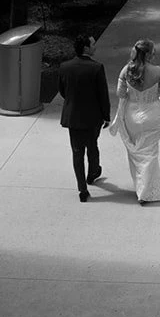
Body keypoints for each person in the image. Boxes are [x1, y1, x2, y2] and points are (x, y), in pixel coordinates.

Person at [110, 37, 160, 204]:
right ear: (148, 53)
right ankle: (146, 191)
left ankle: (142, 187)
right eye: (153, 52)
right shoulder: (159, 71)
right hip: (152, 115)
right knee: (150, 151)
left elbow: (120, 94)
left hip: (131, 115)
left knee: (137, 152)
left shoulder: (126, 70)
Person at [58, 33, 110, 202]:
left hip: (73, 117)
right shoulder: (97, 68)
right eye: (93, 44)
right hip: (92, 117)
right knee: (92, 147)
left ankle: (82, 189)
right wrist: (106, 115)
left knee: (77, 153)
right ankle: (93, 172)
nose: (95, 47)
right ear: (86, 48)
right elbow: (103, 95)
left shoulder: (65, 67)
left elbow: (62, 91)